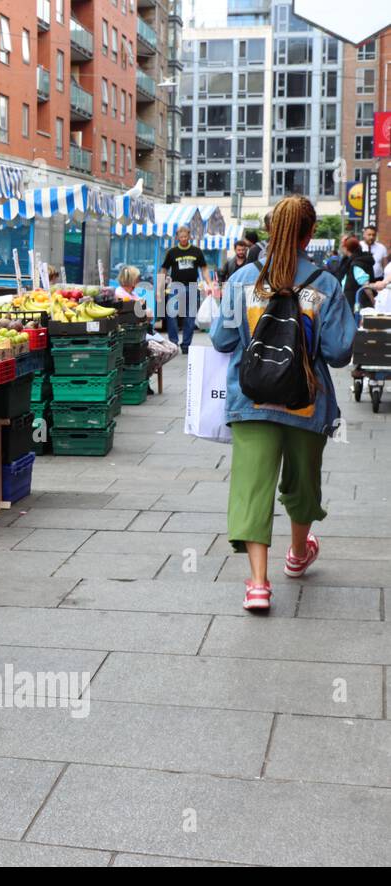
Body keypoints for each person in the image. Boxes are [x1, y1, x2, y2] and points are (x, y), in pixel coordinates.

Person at [211, 195, 356, 613]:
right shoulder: (326, 284)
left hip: (251, 399)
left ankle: (257, 584)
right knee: (302, 483)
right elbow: (339, 351)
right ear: (310, 235)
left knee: (251, 486)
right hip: (306, 403)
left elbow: (221, 340)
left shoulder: (241, 280)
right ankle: (297, 553)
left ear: (271, 232)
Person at [158, 225, 211, 353]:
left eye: (185, 237)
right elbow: (164, 270)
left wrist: (209, 283)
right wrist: (159, 289)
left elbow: (204, 268)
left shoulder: (196, 251)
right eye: (181, 237)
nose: (183, 239)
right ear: (177, 237)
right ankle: (173, 342)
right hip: (176, 286)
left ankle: (186, 345)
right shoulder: (172, 252)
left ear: (189, 236)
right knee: (171, 314)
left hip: (192, 286)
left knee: (190, 317)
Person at [335, 234, 376, 309]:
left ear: (346, 248)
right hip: (350, 302)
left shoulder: (356, 264)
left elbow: (365, 285)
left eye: (341, 245)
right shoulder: (349, 261)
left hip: (357, 304)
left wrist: (373, 302)